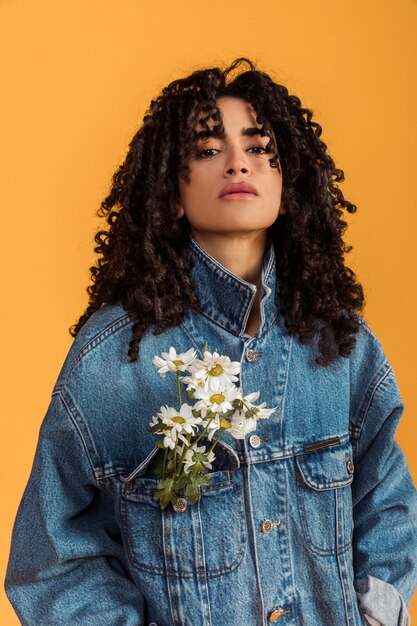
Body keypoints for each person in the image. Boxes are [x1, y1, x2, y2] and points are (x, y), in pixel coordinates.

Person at [5, 57, 417, 626]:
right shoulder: (113, 361)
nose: (236, 163)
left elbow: (387, 500)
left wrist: (374, 614)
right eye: (206, 151)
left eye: (258, 148)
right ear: (172, 192)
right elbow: (52, 556)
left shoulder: (342, 345)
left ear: (287, 184)